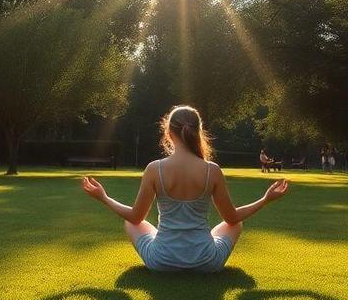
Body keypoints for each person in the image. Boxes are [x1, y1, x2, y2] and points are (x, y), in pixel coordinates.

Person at [80, 105, 289, 273]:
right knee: (235, 225)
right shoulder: (212, 170)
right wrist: (265, 199)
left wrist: (104, 197)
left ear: (169, 133)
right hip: (206, 262)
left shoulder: (155, 169)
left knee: (131, 224)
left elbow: (135, 218)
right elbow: (232, 219)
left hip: (162, 261)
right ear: (198, 132)